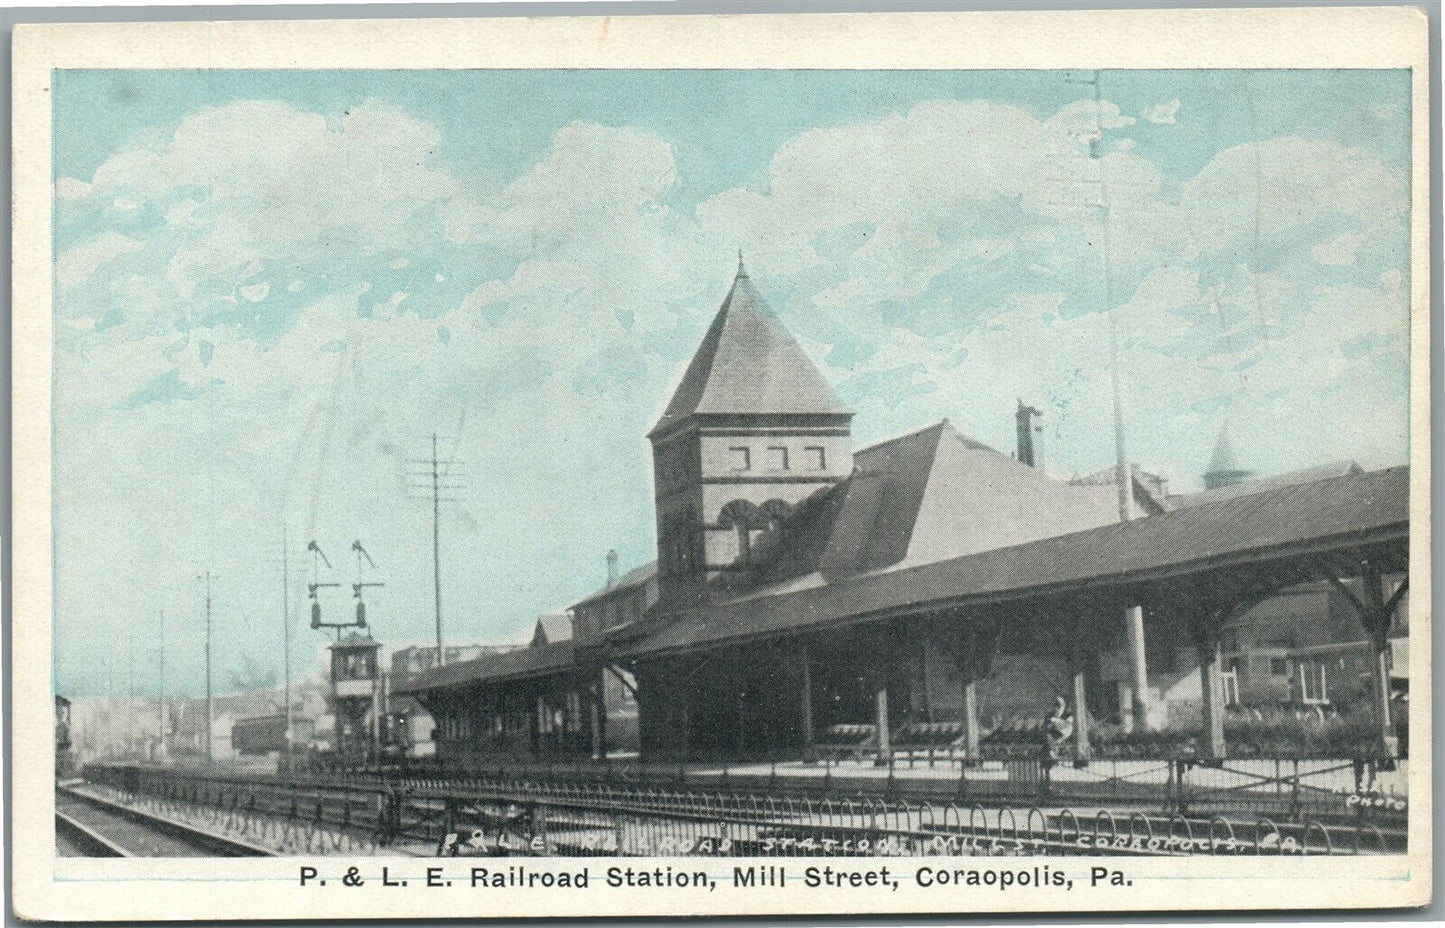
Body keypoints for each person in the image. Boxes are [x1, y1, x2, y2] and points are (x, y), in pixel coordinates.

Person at [1044, 696, 1074, 761]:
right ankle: (1054, 754)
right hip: (1055, 734)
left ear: (1063, 707)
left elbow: (1069, 724)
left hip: (1065, 733)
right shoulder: (1050, 715)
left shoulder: (1067, 714)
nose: (1059, 710)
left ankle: (1056, 751)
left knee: (1067, 728)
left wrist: (1056, 720)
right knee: (1049, 736)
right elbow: (1047, 727)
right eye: (1057, 707)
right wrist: (1051, 723)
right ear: (1054, 708)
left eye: (1061, 707)